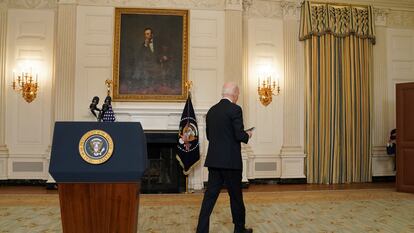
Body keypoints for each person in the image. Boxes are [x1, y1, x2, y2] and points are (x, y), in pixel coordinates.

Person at [196, 82, 253, 233]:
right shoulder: (235, 109)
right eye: (237, 95)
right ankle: (239, 229)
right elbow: (239, 135)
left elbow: (209, 136)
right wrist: (248, 134)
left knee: (209, 198)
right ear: (234, 94)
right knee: (235, 197)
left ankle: (201, 230)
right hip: (231, 163)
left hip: (214, 161)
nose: (237, 98)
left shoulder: (211, 111)